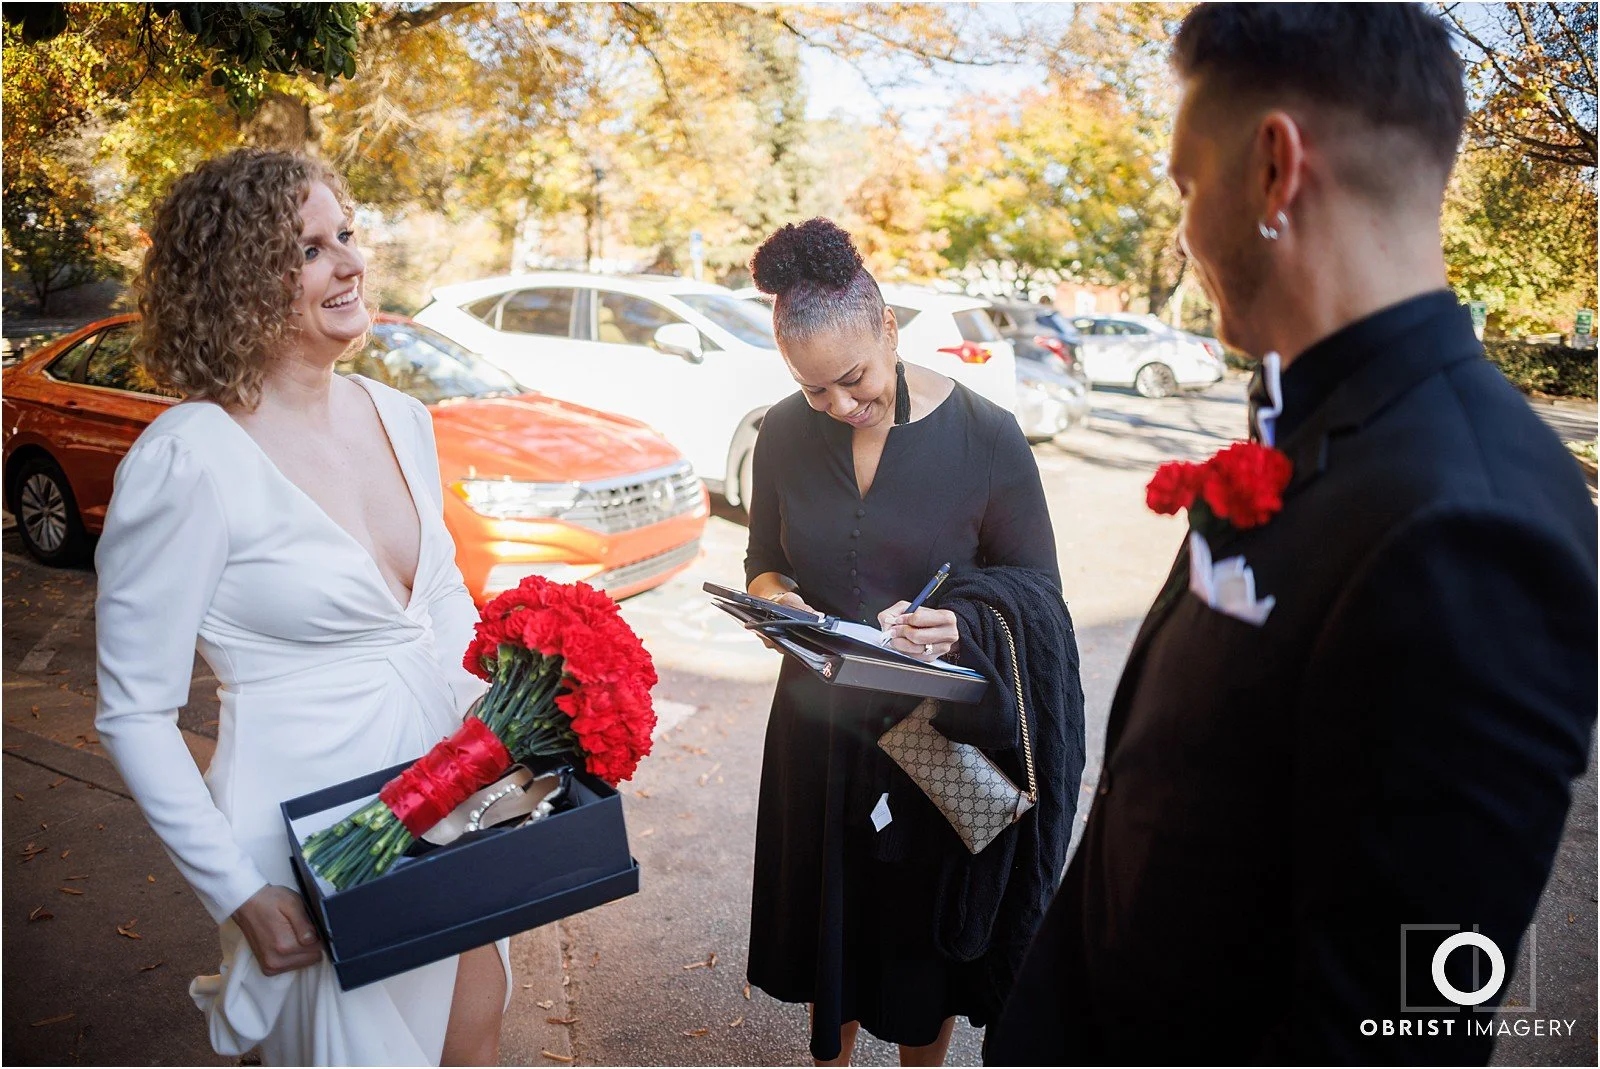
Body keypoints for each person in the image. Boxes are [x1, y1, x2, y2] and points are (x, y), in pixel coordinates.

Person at [985, 5, 1597, 1064]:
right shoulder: (1311, 420)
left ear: (1274, 168)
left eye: (1184, 184)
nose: (1182, 229)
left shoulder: (1474, 527)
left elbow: (1393, 1027)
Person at [93, 149, 507, 1065]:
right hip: (309, 846)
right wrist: (237, 888)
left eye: (346, 235)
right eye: (311, 249)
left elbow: (438, 602)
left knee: (473, 1043)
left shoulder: (401, 416)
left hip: (451, 811)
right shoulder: (188, 457)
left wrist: (510, 735)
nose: (350, 262)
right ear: (239, 278)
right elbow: (134, 713)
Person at [742, 218, 1086, 1066]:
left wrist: (964, 625)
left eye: (854, 379)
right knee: (833, 936)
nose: (840, 407)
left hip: (930, 742)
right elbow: (762, 562)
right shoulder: (784, 433)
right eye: (816, 390)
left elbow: (1038, 595)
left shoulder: (989, 436)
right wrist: (784, 607)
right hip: (815, 731)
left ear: (890, 328)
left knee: (914, 955)